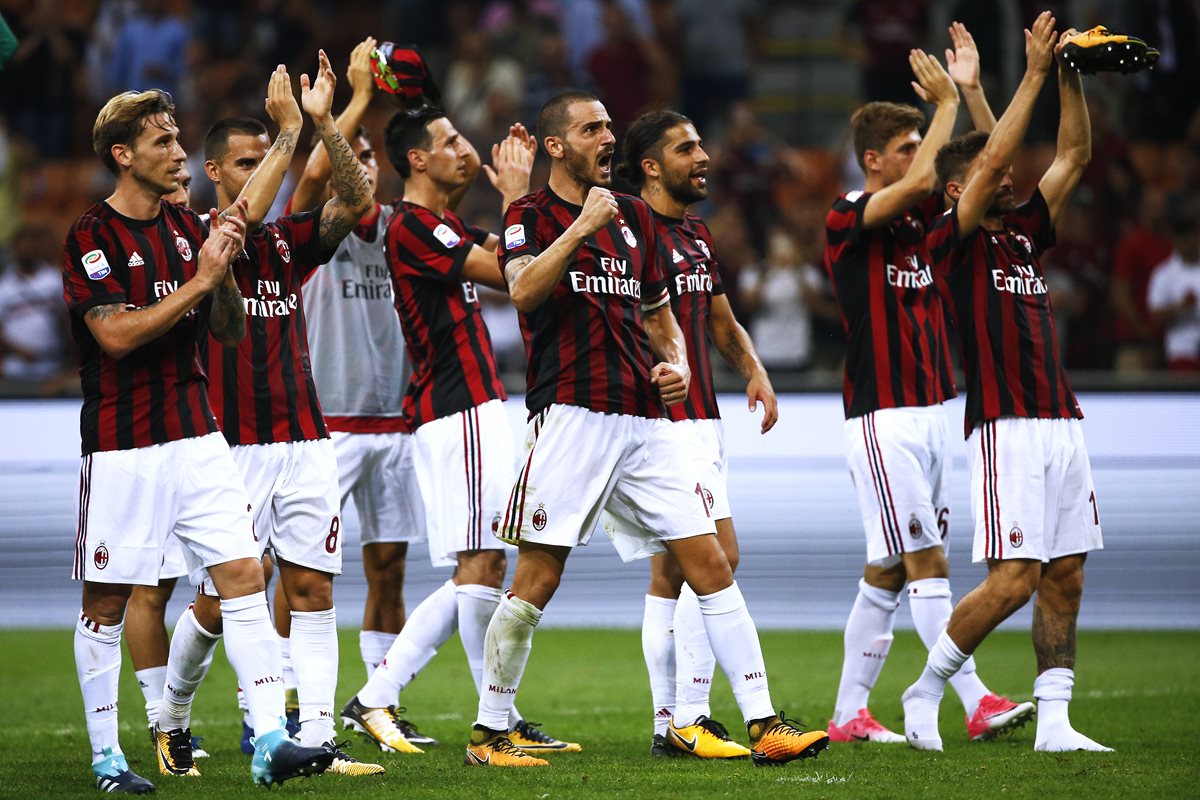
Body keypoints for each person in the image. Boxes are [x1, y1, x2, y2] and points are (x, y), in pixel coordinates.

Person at [465, 91, 828, 768]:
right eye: (590, 128)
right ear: (555, 147)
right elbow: (521, 290)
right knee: (538, 577)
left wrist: (680, 366)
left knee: (713, 562)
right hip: (572, 414)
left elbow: (660, 313)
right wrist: (578, 229)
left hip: (648, 418)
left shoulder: (633, 216)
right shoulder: (531, 215)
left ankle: (763, 722)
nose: (607, 136)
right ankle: (489, 733)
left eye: (608, 126)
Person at [61, 88, 334, 793]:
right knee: (108, 602)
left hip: (199, 434)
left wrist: (291, 132)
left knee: (243, 576)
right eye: (161, 142)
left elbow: (246, 221)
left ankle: (271, 738)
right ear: (123, 155)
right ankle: (107, 759)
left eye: (178, 139)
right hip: (124, 444)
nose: (178, 153)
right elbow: (116, 336)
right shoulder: (92, 235)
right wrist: (205, 280)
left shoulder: (185, 228)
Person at [148, 56, 383, 778]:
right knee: (219, 603)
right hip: (229, 448)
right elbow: (242, 220)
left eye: (267, 158)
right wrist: (286, 138)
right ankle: (172, 718)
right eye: (248, 162)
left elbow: (358, 203)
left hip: (307, 441)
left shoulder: (284, 246)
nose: (266, 172)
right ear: (216, 172)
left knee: (312, 589)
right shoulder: (190, 241)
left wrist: (320, 126)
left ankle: (314, 737)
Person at [342, 106, 579, 756]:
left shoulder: (444, 224)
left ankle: (495, 715)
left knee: (482, 566)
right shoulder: (415, 227)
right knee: (482, 564)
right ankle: (378, 696)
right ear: (416, 159)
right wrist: (512, 194)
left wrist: (508, 188)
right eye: (446, 141)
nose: (462, 150)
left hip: (463, 409)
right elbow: (513, 277)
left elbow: (512, 255)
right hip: (457, 406)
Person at [823, 30, 1032, 745]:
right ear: (875, 159)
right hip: (881, 417)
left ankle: (848, 712)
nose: (923, 158)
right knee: (926, 561)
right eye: (909, 146)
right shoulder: (849, 212)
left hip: (933, 410)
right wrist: (943, 103)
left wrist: (970, 94)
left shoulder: (929, 222)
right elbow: (921, 180)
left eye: (923, 143)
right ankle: (971, 698)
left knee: (885, 569)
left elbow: (986, 164)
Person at [907, 12, 1108, 753]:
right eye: (990, 174)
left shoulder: (1022, 231)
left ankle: (1055, 722)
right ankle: (925, 689)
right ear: (958, 187)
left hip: (1061, 419)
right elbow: (993, 160)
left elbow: (1076, 153)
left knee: (1065, 577)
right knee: (1014, 577)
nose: (1010, 177)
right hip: (1006, 425)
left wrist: (1066, 77)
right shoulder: (948, 240)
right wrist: (1020, 77)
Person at [613, 109, 779, 760]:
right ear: (652, 166)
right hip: (659, 422)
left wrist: (755, 370)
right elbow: (609, 317)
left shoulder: (697, 234)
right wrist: (650, 372)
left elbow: (720, 319)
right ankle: (693, 715)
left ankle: (668, 726)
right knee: (719, 558)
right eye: (687, 148)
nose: (703, 155)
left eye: (701, 144)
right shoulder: (626, 229)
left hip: (703, 418)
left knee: (671, 575)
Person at [289, 44, 430, 736]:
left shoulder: (401, 232)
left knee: (389, 571)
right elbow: (318, 169)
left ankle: (381, 705)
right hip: (331, 424)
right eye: (356, 156)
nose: (363, 166)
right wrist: (360, 97)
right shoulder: (314, 233)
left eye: (372, 158)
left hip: (395, 424)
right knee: (303, 572)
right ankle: (286, 704)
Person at [1147, 196, 1200, 371]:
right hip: (1182, 352)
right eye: (1181, 236)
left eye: (1190, 235)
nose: (1187, 241)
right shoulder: (1164, 273)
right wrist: (1179, 307)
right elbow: (1154, 315)